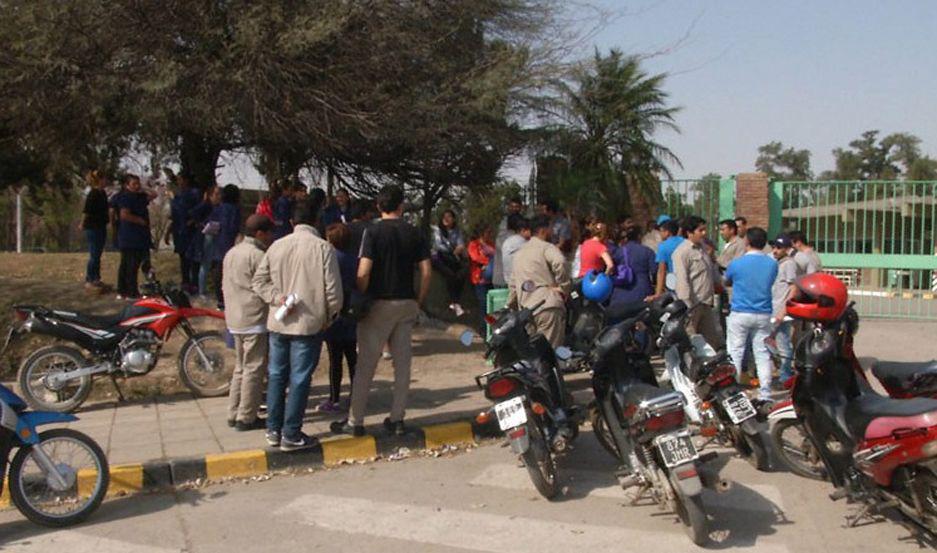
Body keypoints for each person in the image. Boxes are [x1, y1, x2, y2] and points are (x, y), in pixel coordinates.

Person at [332, 185, 432, 437]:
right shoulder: (415, 232)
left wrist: (362, 292)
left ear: (378, 207)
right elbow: (427, 272)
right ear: (401, 206)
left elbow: (364, 271)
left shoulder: (372, 232)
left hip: (378, 303)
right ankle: (397, 419)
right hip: (406, 302)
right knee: (402, 364)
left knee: (366, 364)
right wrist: (418, 301)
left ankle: (356, 421)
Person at [252, 199, 343, 451]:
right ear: (316, 221)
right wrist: (328, 317)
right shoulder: (323, 249)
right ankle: (291, 433)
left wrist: (276, 298)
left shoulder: (276, 246)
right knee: (300, 378)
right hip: (309, 324)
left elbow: (258, 282)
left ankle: (273, 429)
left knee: (277, 376)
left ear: (292, 222)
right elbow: (334, 293)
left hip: (279, 321)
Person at [223, 214, 275, 431]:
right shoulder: (257, 255)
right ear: (260, 234)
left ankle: (233, 412)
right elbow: (267, 284)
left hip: (235, 317)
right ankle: (247, 416)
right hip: (254, 317)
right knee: (254, 368)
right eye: (269, 233)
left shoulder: (232, 252)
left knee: (240, 368)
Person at [723, 227, 778, 401]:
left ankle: (734, 391)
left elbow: (726, 280)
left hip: (740, 312)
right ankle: (765, 393)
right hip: (763, 313)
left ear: (747, 241)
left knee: (735, 352)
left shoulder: (737, 263)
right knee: (761, 353)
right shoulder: (772, 264)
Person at [507, 214, 571, 347]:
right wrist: (564, 288)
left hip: (527, 311)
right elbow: (560, 262)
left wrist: (511, 305)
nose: (552, 232)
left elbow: (513, 284)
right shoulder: (546, 247)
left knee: (535, 356)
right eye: (550, 229)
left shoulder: (519, 253)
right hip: (547, 306)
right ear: (543, 230)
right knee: (549, 354)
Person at [319, 223, 359, 414]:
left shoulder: (329, 258)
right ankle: (356, 394)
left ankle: (334, 399)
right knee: (352, 357)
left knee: (335, 359)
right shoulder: (354, 260)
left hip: (335, 314)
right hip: (351, 312)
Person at [672, 215, 725, 348]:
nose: (704, 233)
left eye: (704, 230)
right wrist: (686, 306)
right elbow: (682, 281)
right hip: (692, 305)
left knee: (712, 342)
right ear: (689, 233)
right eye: (700, 230)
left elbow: (711, 272)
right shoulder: (682, 252)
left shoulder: (703, 248)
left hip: (706, 303)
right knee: (691, 342)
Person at [113, 174, 152, 299]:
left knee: (131, 263)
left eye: (137, 183)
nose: (137, 186)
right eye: (134, 184)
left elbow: (154, 194)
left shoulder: (139, 197)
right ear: (126, 185)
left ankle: (122, 290)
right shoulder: (125, 197)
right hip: (130, 236)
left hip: (140, 237)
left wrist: (144, 187)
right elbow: (124, 214)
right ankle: (130, 292)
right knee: (130, 265)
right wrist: (139, 220)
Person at [769, 234, 798, 387]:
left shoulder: (789, 264)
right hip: (772, 309)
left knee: (782, 344)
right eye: (774, 247)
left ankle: (785, 375)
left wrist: (784, 309)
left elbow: (793, 288)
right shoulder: (776, 262)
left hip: (781, 310)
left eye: (779, 247)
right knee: (772, 342)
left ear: (787, 249)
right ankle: (783, 372)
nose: (775, 250)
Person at [165, 174, 201, 292]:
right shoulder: (178, 196)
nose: (179, 182)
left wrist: (193, 220)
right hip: (179, 231)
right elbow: (174, 215)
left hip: (191, 232)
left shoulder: (194, 193)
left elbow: (197, 211)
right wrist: (168, 231)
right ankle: (185, 282)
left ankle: (194, 283)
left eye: (181, 179)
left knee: (193, 259)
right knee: (183, 259)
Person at [431, 209, 467, 317]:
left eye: (449, 216)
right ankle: (454, 302)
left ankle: (455, 302)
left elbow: (461, 244)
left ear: (453, 219)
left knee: (461, 274)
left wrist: (459, 248)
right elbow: (439, 245)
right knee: (450, 275)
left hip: (452, 257)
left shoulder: (457, 231)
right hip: (440, 257)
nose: (446, 219)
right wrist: (453, 250)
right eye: (444, 217)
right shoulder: (438, 230)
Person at [609, 225, 656, 307]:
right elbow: (654, 271)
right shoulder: (647, 251)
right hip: (643, 293)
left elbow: (611, 270)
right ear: (639, 236)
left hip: (620, 296)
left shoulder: (618, 252)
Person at [211, 184, 242, 308]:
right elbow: (236, 227)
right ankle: (230, 298)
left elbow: (211, 224)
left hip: (218, 243)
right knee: (230, 274)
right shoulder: (236, 209)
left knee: (218, 273)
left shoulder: (219, 208)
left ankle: (220, 300)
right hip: (231, 243)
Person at [79, 170, 110, 290]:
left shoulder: (103, 193)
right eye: (105, 179)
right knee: (94, 254)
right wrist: (82, 223)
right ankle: (89, 278)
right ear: (100, 180)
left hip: (101, 225)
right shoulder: (93, 194)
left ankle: (96, 278)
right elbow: (86, 211)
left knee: (98, 253)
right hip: (92, 227)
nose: (106, 181)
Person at [492, 196, 524, 288]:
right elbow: (501, 245)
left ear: (521, 207)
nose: (514, 209)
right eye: (512, 206)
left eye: (517, 206)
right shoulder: (503, 224)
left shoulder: (523, 222)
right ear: (509, 207)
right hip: (502, 276)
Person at [467, 225, 496, 327]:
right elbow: (475, 257)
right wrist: (487, 262)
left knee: (491, 305)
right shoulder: (474, 244)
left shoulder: (491, 244)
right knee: (483, 304)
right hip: (480, 279)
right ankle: (483, 327)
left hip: (491, 279)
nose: (489, 235)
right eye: (487, 232)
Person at [650, 219, 684, 299]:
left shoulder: (663, 246)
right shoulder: (685, 242)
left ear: (667, 232)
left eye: (661, 231)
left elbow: (661, 271)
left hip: (674, 283)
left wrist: (658, 293)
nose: (660, 234)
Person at [501, 214, 530, 287]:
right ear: (523, 230)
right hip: (520, 281)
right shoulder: (521, 242)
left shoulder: (508, 240)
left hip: (509, 280)